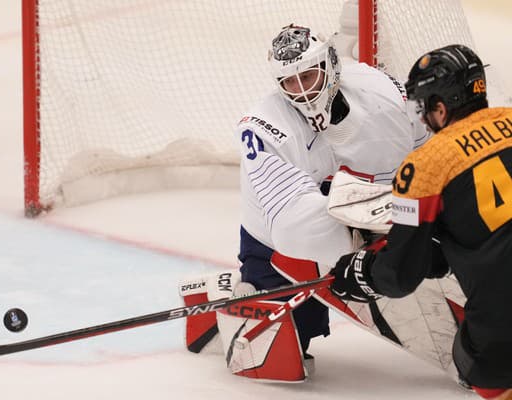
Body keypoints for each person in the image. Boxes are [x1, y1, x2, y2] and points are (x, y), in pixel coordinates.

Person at [179, 23, 429, 382]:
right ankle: (230, 296)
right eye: (289, 82)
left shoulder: (383, 93)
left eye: (308, 75)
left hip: (373, 220)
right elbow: (294, 228)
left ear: (330, 66)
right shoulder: (263, 128)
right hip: (280, 244)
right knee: (280, 355)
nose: (301, 91)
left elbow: (427, 152)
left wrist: (416, 220)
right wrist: (365, 248)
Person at [329, 44, 512, 399]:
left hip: (501, 333)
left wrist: (363, 272)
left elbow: (400, 276)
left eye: (423, 106)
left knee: (475, 358)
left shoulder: (424, 165)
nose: (421, 116)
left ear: (440, 108)